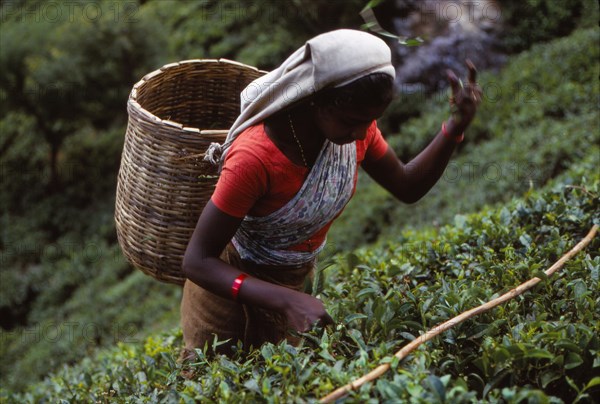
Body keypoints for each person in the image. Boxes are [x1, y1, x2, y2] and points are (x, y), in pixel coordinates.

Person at [180, 29, 481, 358]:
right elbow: (198, 261)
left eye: (371, 121)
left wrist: (454, 128)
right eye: (352, 121)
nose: (362, 133)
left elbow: (407, 185)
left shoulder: (356, 131)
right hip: (226, 299)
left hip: (294, 289)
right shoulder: (255, 157)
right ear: (316, 99)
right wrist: (286, 299)